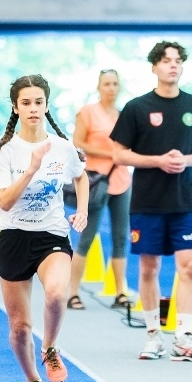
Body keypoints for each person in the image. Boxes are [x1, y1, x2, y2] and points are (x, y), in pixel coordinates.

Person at [0, 74, 88, 382]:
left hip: (52, 235)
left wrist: (81, 210)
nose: (33, 109)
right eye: (26, 103)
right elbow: (5, 202)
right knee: (20, 327)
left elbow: (81, 176)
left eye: (38, 102)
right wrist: (31, 169)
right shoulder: (5, 153)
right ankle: (33, 381)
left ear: (47, 105)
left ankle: (51, 348)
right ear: (15, 107)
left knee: (57, 292)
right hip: (13, 238)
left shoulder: (63, 147)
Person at [110, 41, 192, 363]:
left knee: (190, 265)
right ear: (154, 67)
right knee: (149, 267)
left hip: (184, 200)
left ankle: (183, 337)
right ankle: (153, 336)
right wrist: (157, 161)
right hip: (147, 201)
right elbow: (118, 153)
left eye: (177, 61)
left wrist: (186, 160)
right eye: (166, 61)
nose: (173, 66)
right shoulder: (137, 108)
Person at [67, 69, 132, 310]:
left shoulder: (125, 115)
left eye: (115, 83)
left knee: (120, 239)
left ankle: (120, 293)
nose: (111, 88)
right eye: (107, 84)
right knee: (87, 236)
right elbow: (77, 142)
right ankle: (72, 292)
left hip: (122, 180)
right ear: (98, 87)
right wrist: (109, 153)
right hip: (96, 180)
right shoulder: (87, 112)